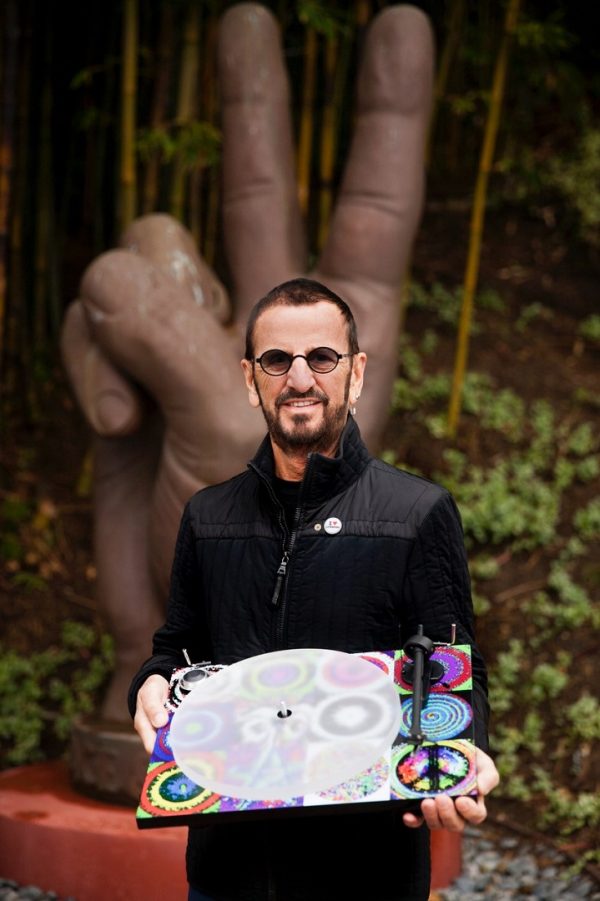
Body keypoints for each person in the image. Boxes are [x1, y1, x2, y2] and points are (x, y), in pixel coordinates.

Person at [129, 278, 499, 901]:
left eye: (321, 358)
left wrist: (463, 759)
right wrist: (152, 680)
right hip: (229, 867)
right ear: (252, 380)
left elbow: (454, 671)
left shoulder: (417, 513)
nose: (300, 378)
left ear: (355, 375)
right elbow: (179, 649)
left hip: (366, 867)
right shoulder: (208, 517)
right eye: (278, 360)